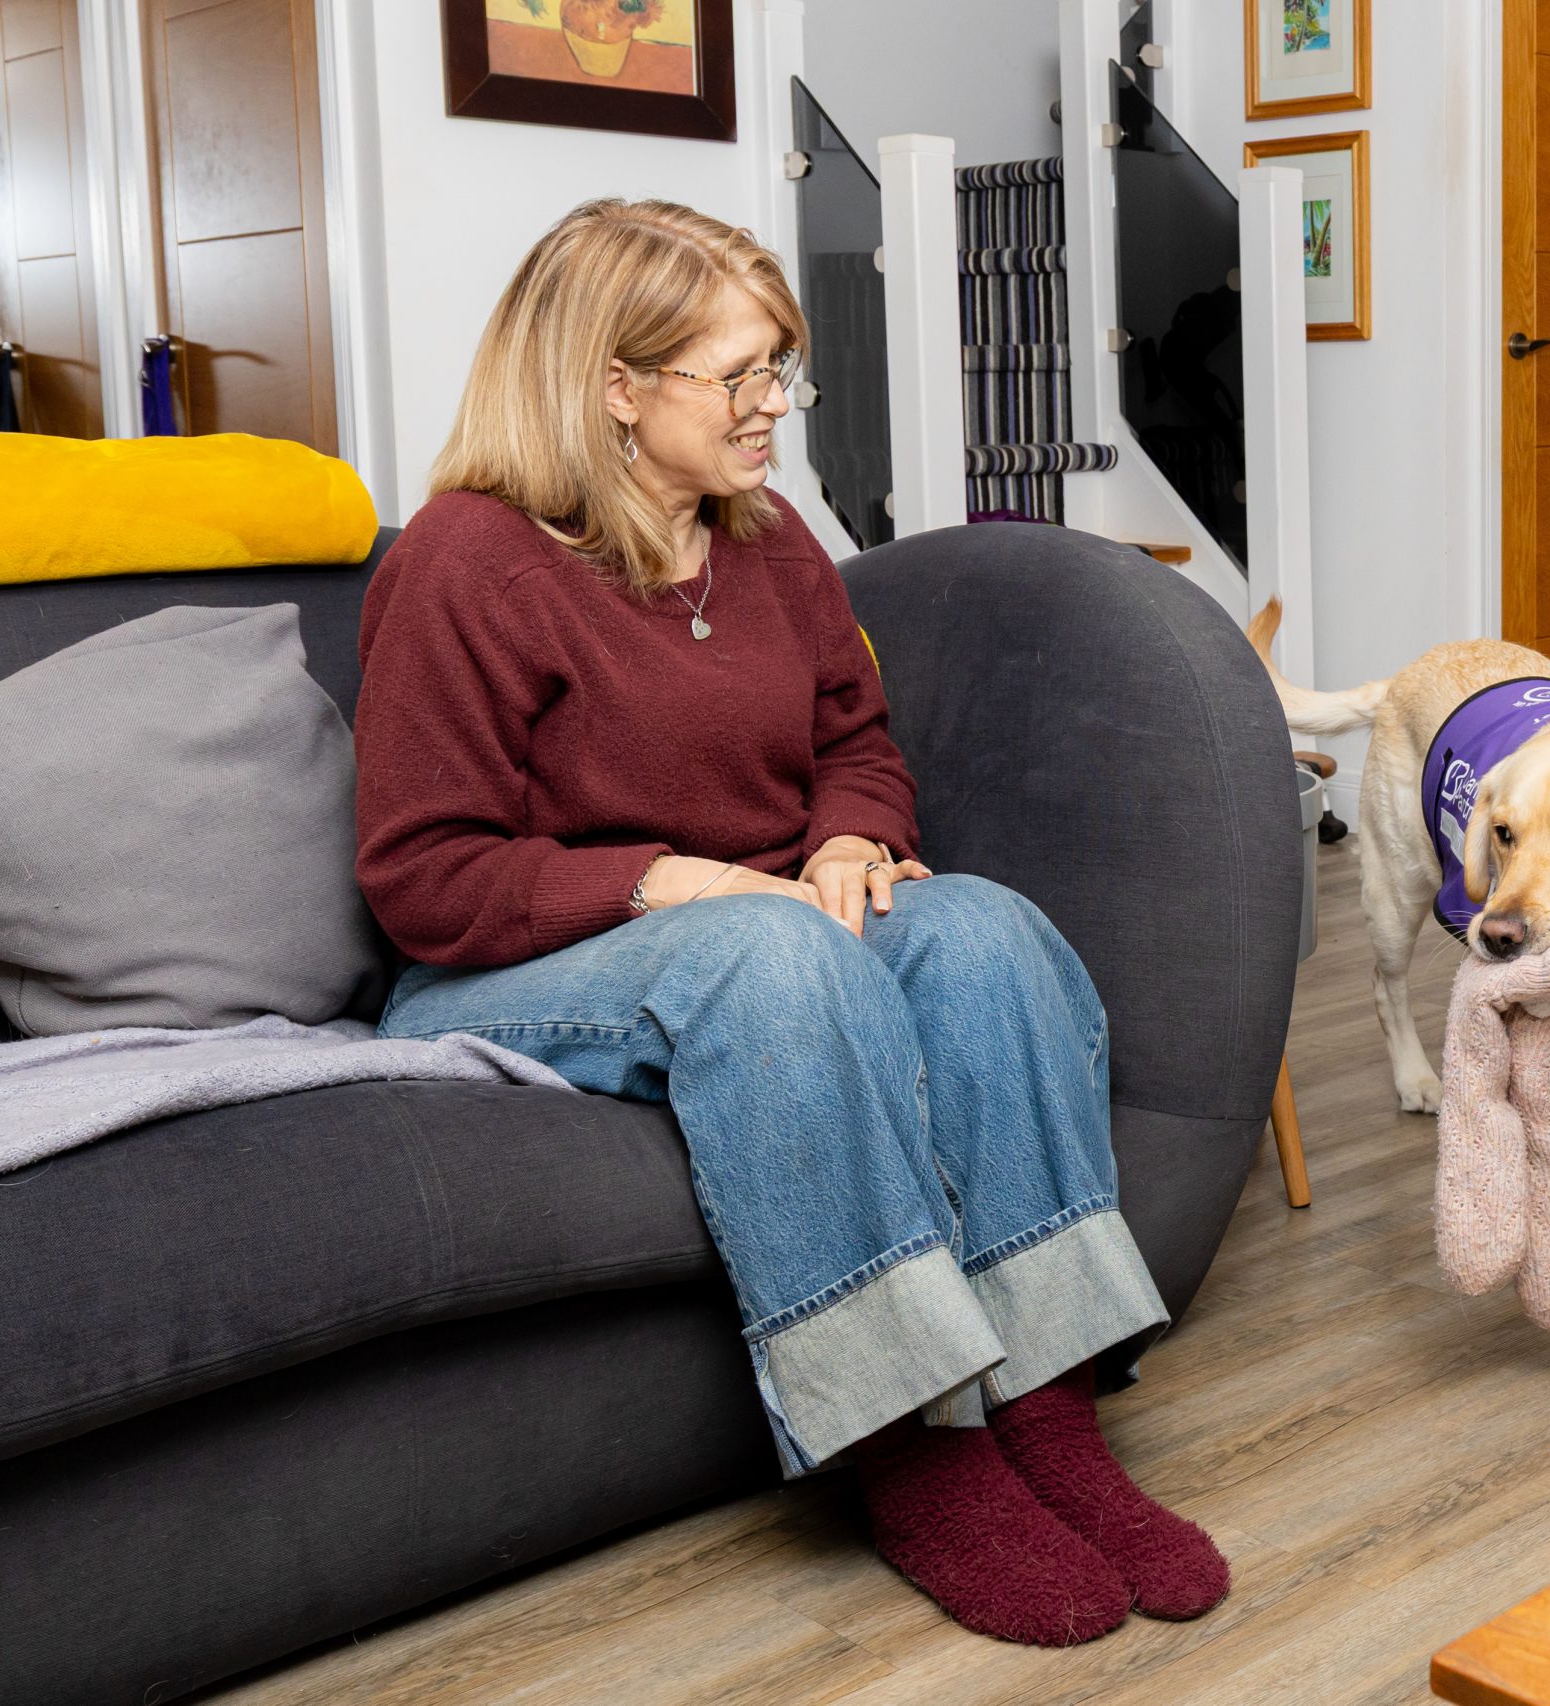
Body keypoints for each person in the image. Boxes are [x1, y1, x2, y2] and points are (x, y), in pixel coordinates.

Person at [351, 198, 1229, 1646]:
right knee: (770, 952)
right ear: (614, 386)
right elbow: (424, 874)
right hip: (508, 965)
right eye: (739, 375)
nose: (776, 407)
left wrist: (845, 837)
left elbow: (857, 741)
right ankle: (913, 1452)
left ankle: (1051, 1409)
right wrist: (668, 878)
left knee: (985, 928)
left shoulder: (766, 537)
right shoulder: (464, 562)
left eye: (782, 370)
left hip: (764, 921)